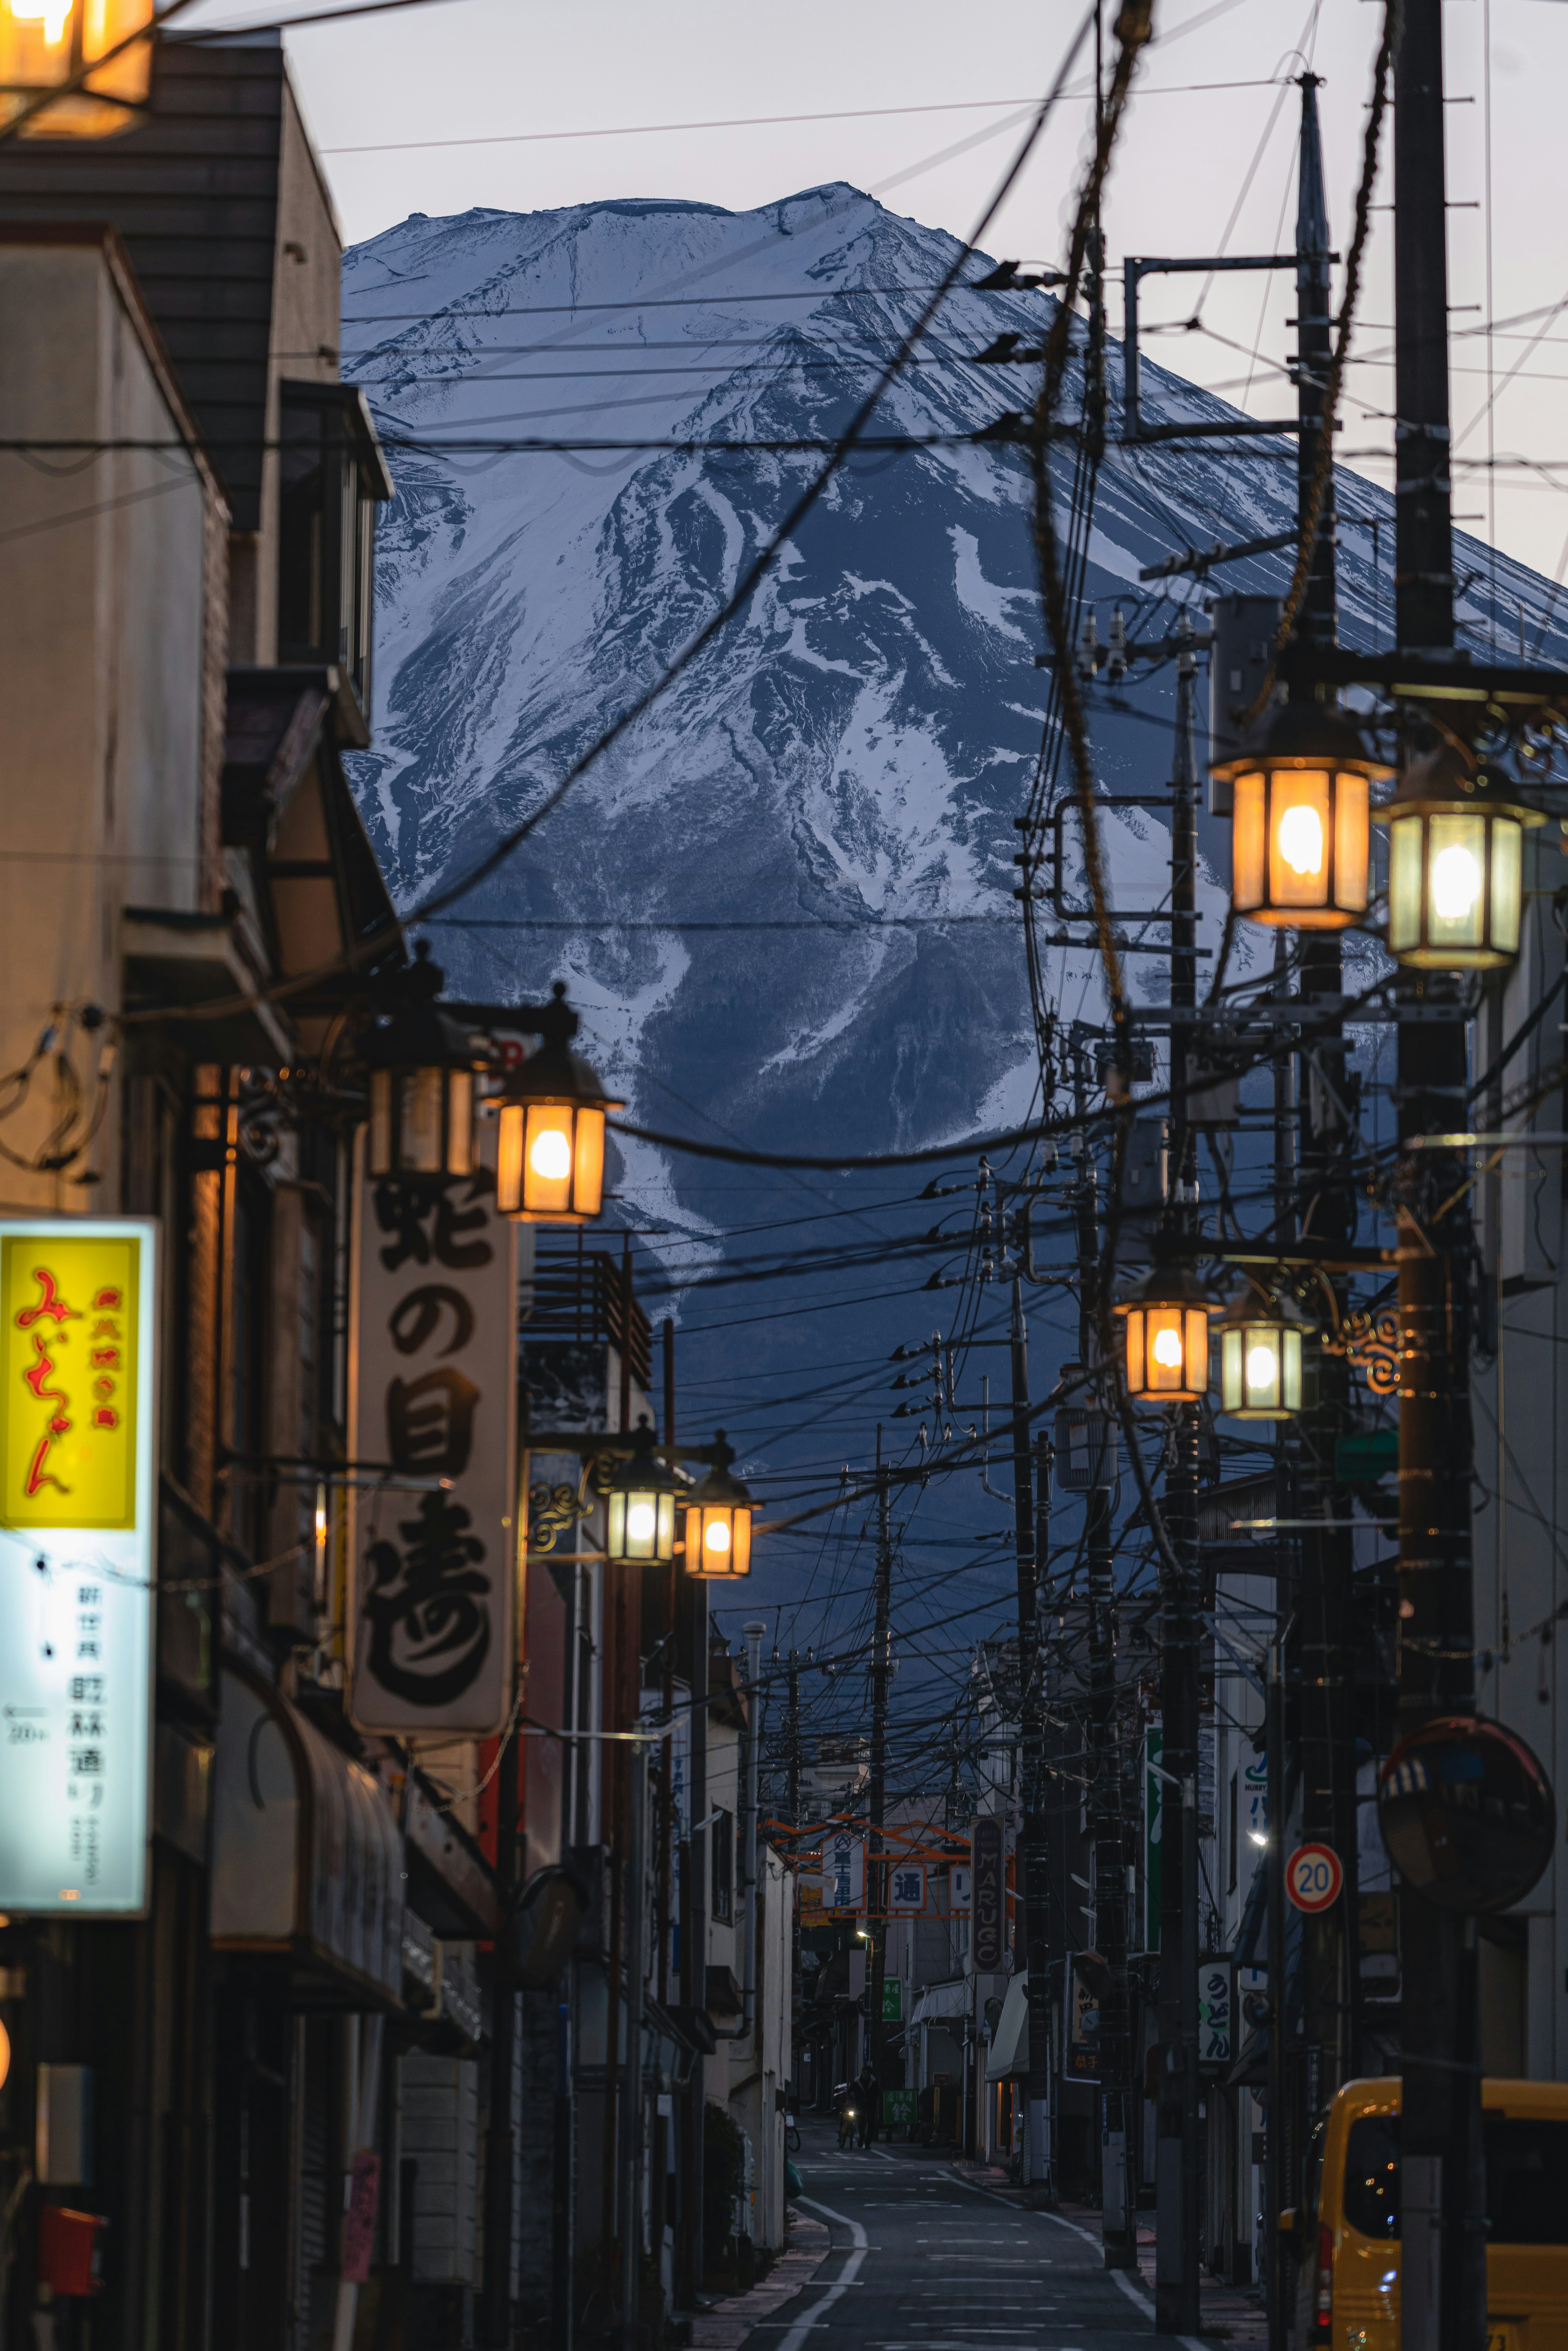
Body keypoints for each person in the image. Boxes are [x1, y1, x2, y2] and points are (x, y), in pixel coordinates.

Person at [856, 2059, 878, 2148]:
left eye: (866, 2074)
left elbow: (876, 2093)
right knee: (861, 2123)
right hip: (860, 2105)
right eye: (863, 2073)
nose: (864, 2075)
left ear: (870, 2075)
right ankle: (862, 2137)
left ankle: (868, 2142)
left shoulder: (874, 2082)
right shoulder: (857, 2081)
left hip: (870, 2105)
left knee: (871, 2124)